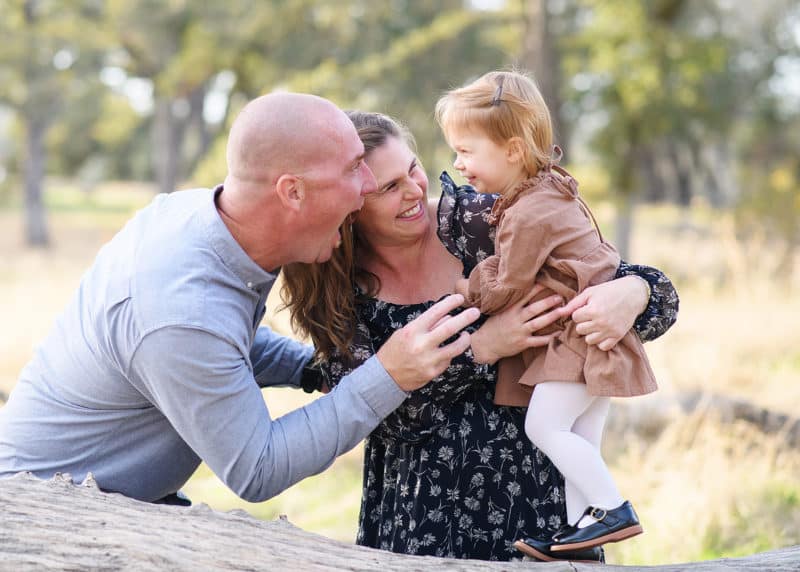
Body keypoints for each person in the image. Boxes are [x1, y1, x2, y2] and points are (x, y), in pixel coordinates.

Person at [0, 93, 482, 504]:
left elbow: (223, 345)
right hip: (42, 514)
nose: (368, 187)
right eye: (354, 169)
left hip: (109, 505)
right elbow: (257, 468)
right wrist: (388, 374)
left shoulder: (205, 223)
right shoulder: (177, 310)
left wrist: (313, 370)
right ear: (291, 192)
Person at [280, 109, 679, 561]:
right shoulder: (332, 286)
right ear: (349, 204)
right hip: (416, 518)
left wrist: (635, 291)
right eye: (389, 188)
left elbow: (649, 300)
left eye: (413, 170)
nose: (414, 190)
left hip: (533, 507)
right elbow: (377, 417)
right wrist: (482, 347)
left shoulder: (481, 222)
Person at [435, 69, 659, 559]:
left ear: (512, 150)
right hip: (591, 339)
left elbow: (509, 283)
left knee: (545, 428)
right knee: (582, 437)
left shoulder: (529, 211)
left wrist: (467, 290)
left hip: (575, 342)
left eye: (467, 151)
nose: (459, 164)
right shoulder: (550, 191)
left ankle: (611, 507)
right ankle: (582, 531)